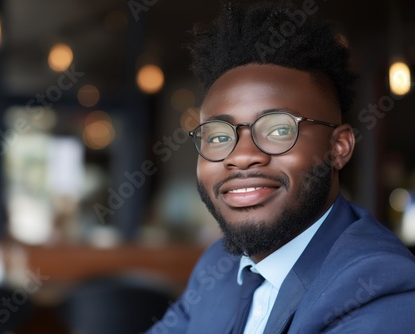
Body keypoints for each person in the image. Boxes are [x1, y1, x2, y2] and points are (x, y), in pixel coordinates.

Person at [146, 1, 415, 333]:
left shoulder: (378, 288)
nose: (241, 156)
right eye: (217, 136)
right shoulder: (219, 266)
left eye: (278, 130)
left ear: (338, 147)